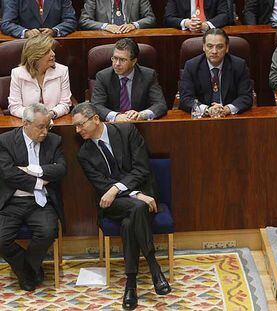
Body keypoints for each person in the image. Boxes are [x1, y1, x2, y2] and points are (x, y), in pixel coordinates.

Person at [72, 102, 171, 310]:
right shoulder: (84, 153)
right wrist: (135, 195)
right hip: (112, 204)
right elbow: (102, 187)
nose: (77, 130)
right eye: (76, 126)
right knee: (136, 208)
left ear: (96, 119)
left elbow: (141, 168)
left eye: (81, 125)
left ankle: (131, 283)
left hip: (138, 196)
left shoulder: (127, 131)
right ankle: (154, 268)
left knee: (130, 220)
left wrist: (123, 190)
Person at [0, 104, 66, 292]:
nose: (45, 132)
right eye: (40, 127)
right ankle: (27, 270)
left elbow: (61, 169)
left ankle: (26, 270)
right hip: (12, 201)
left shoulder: (54, 141)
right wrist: (39, 181)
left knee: (47, 232)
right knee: (1, 240)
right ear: (25, 123)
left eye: (48, 126)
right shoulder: (5, 141)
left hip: (40, 201)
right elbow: (8, 174)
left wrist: (31, 169)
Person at [179, 28, 252, 117]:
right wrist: (206, 110)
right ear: (203, 47)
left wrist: (227, 109)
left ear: (227, 48)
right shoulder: (191, 66)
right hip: (202, 118)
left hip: (230, 117)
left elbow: (246, 97)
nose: (214, 51)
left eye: (219, 46)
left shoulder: (239, 65)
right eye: (210, 46)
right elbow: (186, 99)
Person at [92, 38, 167, 122]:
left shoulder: (148, 75)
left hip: (139, 125)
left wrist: (142, 115)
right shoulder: (103, 76)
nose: (117, 64)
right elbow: (96, 106)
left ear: (134, 61)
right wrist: (116, 116)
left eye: (122, 60)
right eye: (115, 58)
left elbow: (160, 105)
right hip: (113, 126)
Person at [8, 34, 72, 119]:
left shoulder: (62, 71)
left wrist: (51, 114)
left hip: (54, 122)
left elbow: (65, 103)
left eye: (52, 50)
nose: (53, 54)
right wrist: (34, 117)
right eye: (47, 51)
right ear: (35, 55)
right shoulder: (17, 73)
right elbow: (14, 107)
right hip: (28, 123)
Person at [1, 0, 77, 38]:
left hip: (55, 45)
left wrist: (55, 31)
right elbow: (6, 24)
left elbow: (71, 21)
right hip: (26, 47)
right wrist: (26, 33)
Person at [79, 0, 156, 33]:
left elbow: (150, 18)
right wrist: (105, 26)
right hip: (104, 40)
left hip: (132, 39)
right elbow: (84, 20)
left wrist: (134, 25)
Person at [164, 0, 228, 31]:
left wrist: (207, 25)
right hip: (186, 34)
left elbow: (224, 15)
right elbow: (169, 17)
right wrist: (186, 23)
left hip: (212, 33)